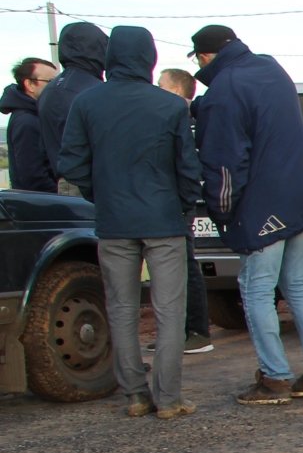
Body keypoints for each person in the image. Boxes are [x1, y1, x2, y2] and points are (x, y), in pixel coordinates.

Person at [55, 26, 201, 417]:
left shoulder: (87, 103)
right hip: (164, 219)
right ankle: (169, 399)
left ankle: (135, 395)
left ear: (110, 57)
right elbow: (188, 170)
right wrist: (181, 205)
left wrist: (100, 194)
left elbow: (70, 163)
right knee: (170, 310)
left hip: (114, 220)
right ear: (149, 58)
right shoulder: (170, 107)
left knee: (121, 308)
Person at [190, 23, 303, 404]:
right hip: (302, 195)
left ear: (205, 57)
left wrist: (222, 210)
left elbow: (224, 161)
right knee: (298, 285)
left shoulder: (223, 90)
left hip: (261, 204)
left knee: (256, 288)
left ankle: (274, 378)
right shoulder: (272, 69)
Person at [156, 66, 213, 354]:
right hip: (177, 201)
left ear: (177, 91)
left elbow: (186, 165)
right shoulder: (179, 117)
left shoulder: (183, 118)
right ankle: (176, 332)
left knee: (185, 265)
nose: (156, 89)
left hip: (181, 202)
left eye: (161, 84)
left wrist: (185, 200)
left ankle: (196, 331)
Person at [39, 22, 106, 194]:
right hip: (86, 183)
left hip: (67, 178)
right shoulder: (89, 89)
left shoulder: (53, 88)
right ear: (95, 49)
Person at [4, 57, 57, 192]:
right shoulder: (26, 121)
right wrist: (61, 195)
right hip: (41, 205)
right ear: (30, 85)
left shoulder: (35, 115)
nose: (56, 86)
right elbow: (32, 176)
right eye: (51, 81)